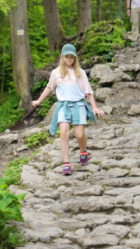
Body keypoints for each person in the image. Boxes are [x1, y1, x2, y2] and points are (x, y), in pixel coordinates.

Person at [31, 44, 105, 176]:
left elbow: (89, 92)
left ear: (75, 58)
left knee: (79, 135)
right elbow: (49, 88)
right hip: (63, 106)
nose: (69, 60)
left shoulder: (80, 73)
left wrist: (94, 107)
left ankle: (83, 151)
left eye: (72, 57)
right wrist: (38, 101)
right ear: (62, 57)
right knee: (64, 132)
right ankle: (66, 163)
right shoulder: (56, 73)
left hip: (79, 105)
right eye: (67, 57)